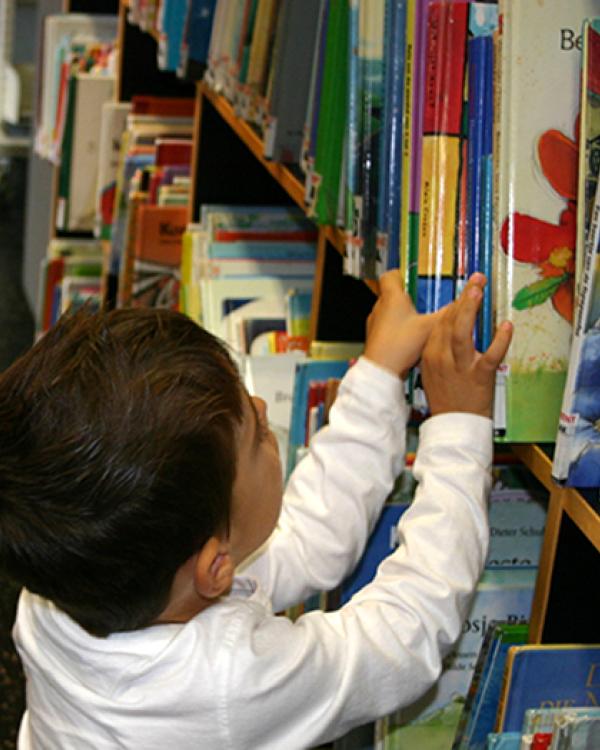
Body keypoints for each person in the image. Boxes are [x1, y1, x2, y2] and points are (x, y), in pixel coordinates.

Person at [0, 271, 512, 749]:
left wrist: (378, 375)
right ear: (216, 567)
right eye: (258, 435)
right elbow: (404, 635)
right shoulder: (230, 681)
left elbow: (310, 541)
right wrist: (459, 429)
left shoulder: (65, 585)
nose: (264, 408)